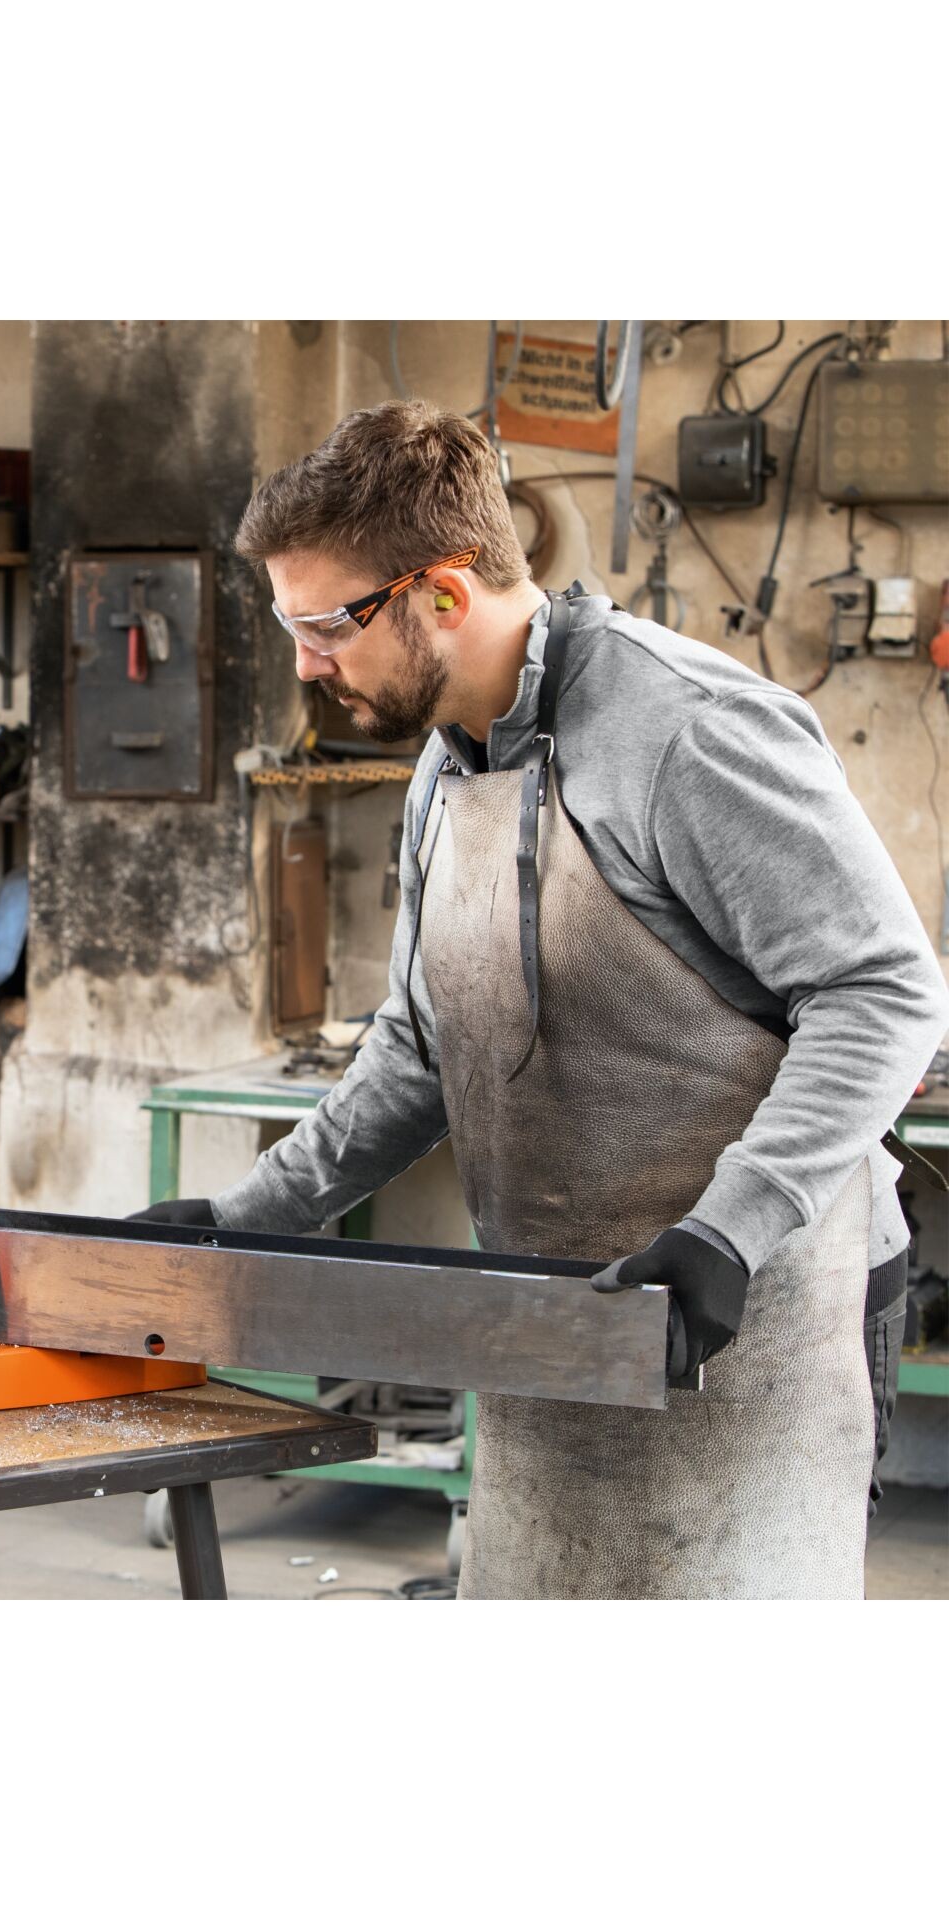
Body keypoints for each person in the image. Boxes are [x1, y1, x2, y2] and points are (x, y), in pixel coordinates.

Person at [147, 400, 947, 1598]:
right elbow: (422, 1047)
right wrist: (248, 1218)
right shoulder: (446, 763)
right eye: (289, 625)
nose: (306, 664)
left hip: (756, 1300)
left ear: (443, 594)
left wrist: (729, 1231)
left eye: (324, 626)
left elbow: (882, 990)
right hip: (557, 1317)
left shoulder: (686, 730)